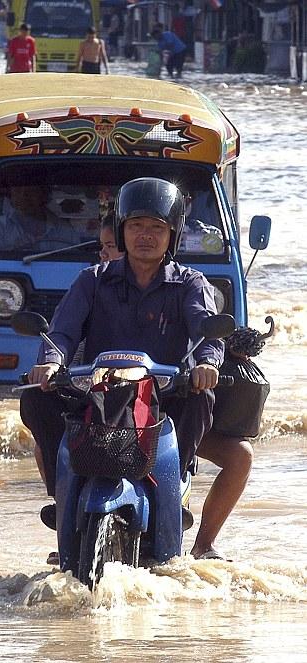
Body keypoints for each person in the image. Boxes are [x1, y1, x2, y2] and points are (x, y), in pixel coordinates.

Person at [20, 177, 254, 561]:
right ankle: (63, 505)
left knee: (203, 398)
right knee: (36, 401)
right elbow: (61, 332)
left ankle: (174, 486)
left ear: (172, 234)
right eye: (136, 226)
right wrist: (49, 363)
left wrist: (206, 365)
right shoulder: (91, 280)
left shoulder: (191, 283)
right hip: (99, 396)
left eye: (156, 228)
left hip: (165, 400)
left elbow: (206, 332)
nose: (145, 235)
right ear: (122, 230)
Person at [0, 185, 79, 251]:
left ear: (43, 195)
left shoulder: (65, 230)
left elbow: (79, 264)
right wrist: (13, 248)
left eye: (30, 191)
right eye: (17, 191)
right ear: (10, 197)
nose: (23, 196)